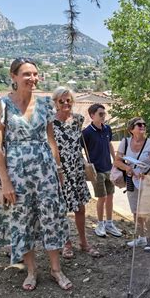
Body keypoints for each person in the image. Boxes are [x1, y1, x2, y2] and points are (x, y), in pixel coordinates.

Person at [0, 57, 71, 291]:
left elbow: (51, 140)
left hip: (45, 172)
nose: (33, 79)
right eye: (27, 74)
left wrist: (58, 169)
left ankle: (56, 269)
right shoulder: (2, 105)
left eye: (35, 74)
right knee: (22, 220)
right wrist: (5, 181)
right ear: (13, 76)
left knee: (51, 218)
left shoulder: (46, 104)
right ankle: (32, 271)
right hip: (17, 174)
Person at [52, 87, 99, 259]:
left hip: (77, 168)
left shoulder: (78, 120)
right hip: (60, 170)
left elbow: (79, 145)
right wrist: (57, 169)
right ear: (55, 103)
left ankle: (83, 241)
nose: (65, 103)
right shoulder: (50, 122)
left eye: (68, 100)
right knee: (62, 210)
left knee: (80, 208)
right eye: (61, 101)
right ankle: (66, 243)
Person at [114, 117, 150, 251]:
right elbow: (117, 161)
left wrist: (148, 170)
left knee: (145, 211)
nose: (142, 126)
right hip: (130, 179)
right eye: (139, 124)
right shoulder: (125, 142)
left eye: (144, 124)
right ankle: (140, 238)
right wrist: (127, 168)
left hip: (147, 181)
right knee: (135, 211)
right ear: (131, 129)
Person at [82, 103, 122, 238]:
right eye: (100, 114)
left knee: (110, 196)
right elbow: (78, 149)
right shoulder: (86, 133)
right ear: (92, 115)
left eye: (104, 114)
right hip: (96, 170)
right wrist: (86, 163)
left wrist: (115, 160)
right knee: (102, 197)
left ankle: (109, 223)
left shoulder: (107, 129)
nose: (103, 116)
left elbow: (109, 143)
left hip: (108, 168)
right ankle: (100, 224)